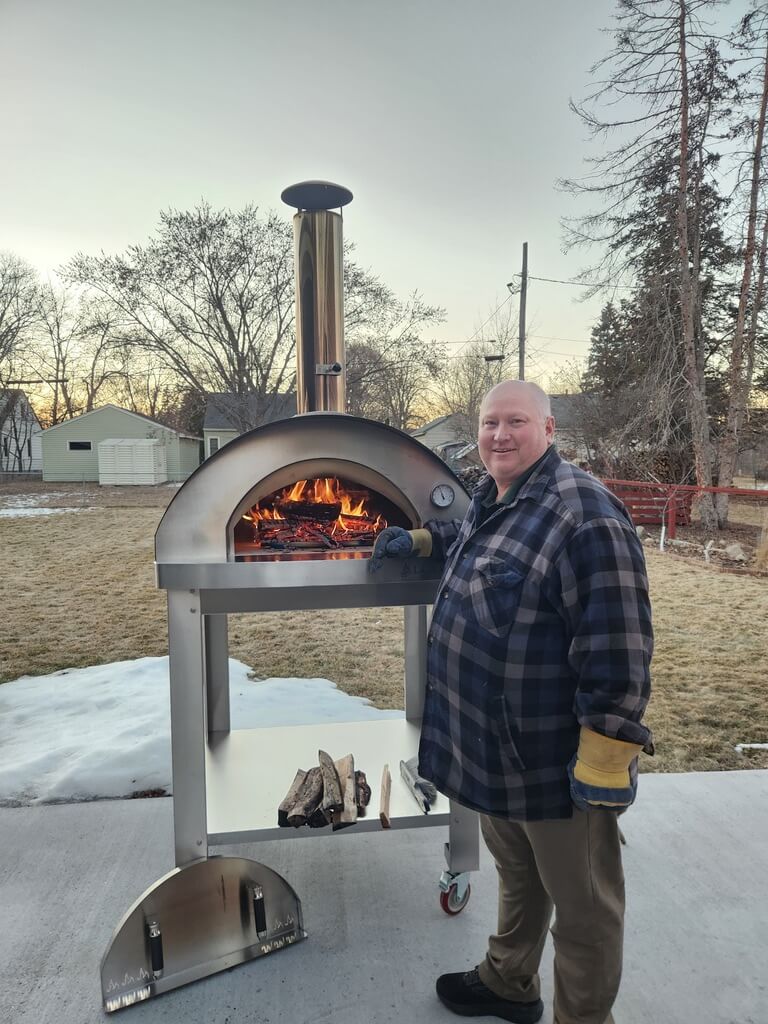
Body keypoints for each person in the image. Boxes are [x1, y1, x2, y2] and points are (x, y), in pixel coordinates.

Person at [369, 380, 653, 1024]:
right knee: (518, 875)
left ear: (549, 430)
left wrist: (603, 766)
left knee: (583, 912)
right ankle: (509, 981)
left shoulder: (586, 516)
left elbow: (620, 651)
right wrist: (418, 542)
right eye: (490, 423)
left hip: (556, 765)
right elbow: (472, 544)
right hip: (492, 749)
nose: (500, 435)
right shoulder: (497, 496)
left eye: (516, 422)